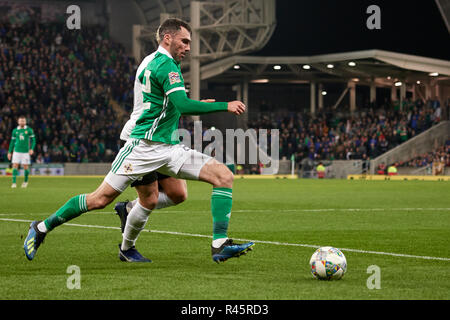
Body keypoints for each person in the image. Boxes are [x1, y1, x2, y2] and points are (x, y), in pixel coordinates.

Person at [24, 18, 254, 264]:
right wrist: (224, 106)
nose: (188, 47)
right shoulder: (166, 66)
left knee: (208, 182)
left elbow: (164, 103)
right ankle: (41, 228)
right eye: (184, 41)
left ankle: (219, 244)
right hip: (142, 146)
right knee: (101, 199)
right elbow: (182, 104)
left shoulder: (152, 61)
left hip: (168, 146)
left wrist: (196, 104)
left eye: (189, 42)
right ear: (168, 38)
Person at [8, 115, 36, 188]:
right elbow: (12, 141)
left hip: (25, 152)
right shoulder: (15, 130)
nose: (22, 122)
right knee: (15, 166)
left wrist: (32, 149)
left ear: (25, 122)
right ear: (18, 122)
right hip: (16, 151)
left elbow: (34, 140)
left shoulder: (29, 130)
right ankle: (14, 183)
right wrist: (9, 152)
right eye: (20, 121)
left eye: (23, 121)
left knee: (26, 167)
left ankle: (25, 182)